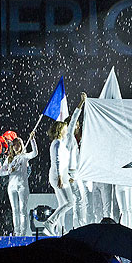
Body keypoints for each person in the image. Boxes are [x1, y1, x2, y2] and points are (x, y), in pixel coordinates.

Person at [44, 97, 84, 236]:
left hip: (63, 175)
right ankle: (50, 223)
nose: (70, 128)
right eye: (66, 128)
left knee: (63, 204)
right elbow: (57, 161)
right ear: (62, 129)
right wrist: (81, 103)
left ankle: (59, 230)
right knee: (70, 203)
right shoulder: (59, 143)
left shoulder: (62, 141)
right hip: (59, 175)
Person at [0, 132, 38, 236]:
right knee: (15, 210)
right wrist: (9, 171)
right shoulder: (9, 158)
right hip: (11, 186)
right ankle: (16, 231)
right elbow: (1, 172)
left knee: (22, 209)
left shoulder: (24, 156)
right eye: (15, 144)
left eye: (18, 144)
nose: (16, 146)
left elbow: (35, 153)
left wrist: (32, 140)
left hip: (22, 186)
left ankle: (23, 233)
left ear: (21, 145)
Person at [67, 93, 90, 229]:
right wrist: (81, 103)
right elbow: (75, 117)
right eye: (76, 123)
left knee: (80, 201)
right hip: (72, 173)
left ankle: (80, 226)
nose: (78, 125)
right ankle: (78, 227)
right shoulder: (69, 136)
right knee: (77, 201)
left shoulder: (78, 139)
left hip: (79, 173)